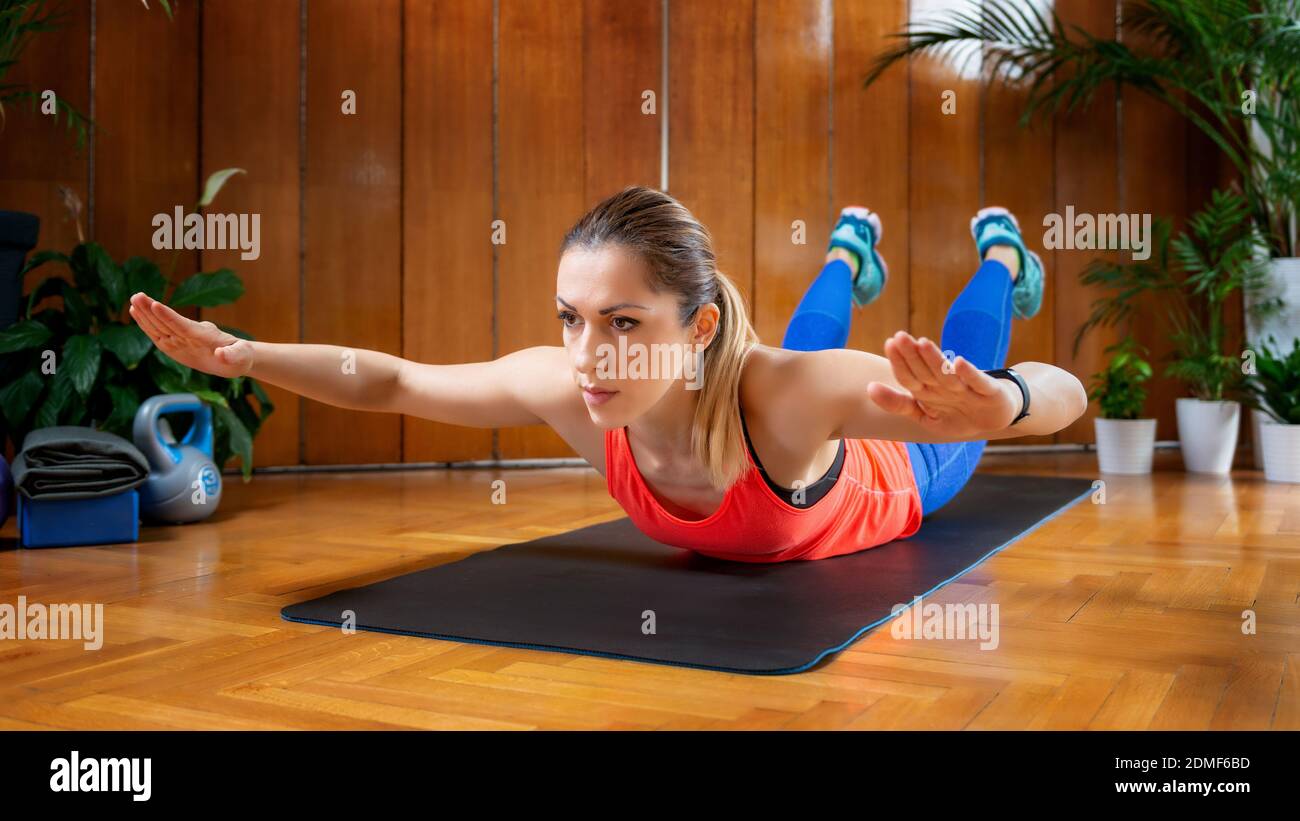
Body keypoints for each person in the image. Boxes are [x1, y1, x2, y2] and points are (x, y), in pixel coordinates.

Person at [128, 186, 1086, 563]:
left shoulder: (789, 396)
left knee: (956, 371)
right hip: (767, 382)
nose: (587, 356)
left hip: (907, 475)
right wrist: (244, 355)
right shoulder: (577, 388)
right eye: (571, 320)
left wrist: (997, 400)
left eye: (623, 323)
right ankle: (846, 256)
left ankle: (1001, 259)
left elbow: (1062, 393)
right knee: (801, 335)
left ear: (696, 324)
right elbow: (394, 383)